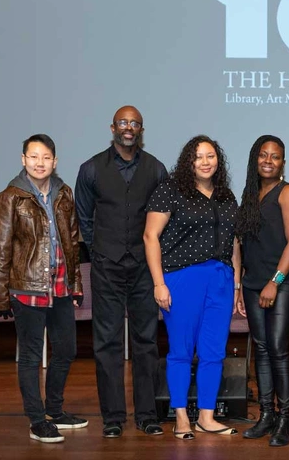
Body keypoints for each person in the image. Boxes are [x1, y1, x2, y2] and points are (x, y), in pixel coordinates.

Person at [75, 106, 168, 438]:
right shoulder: (90, 169)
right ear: (112, 127)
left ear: (141, 129)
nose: (129, 128)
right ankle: (113, 417)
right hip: (106, 268)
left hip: (144, 268)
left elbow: (162, 220)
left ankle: (146, 415)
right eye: (124, 123)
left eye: (135, 124)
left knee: (146, 344)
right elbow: (84, 219)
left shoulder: (156, 169)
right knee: (107, 344)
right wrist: (100, 251)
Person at [0, 134, 87, 443]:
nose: (39, 163)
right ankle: (36, 420)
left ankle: (55, 411)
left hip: (59, 288)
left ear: (55, 162)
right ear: (23, 160)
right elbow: (0, 249)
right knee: (31, 356)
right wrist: (0, 294)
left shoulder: (64, 194)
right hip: (25, 288)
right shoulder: (10, 197)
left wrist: (76, 284)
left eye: (45, 157)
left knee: (67, 350)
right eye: (33, 157)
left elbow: (73, 244)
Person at [144, 135, 241, 440]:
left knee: (214, 352)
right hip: (182, 278)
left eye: (210, 156)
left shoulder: (226, 196)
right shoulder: (170, 191)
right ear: (188, 161)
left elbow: (234, 240)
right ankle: (182, 417)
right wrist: (159, 283)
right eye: (198, 156)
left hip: (222, 279)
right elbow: (150, 237)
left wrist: (236, 282)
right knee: (181, 351)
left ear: (218, 160)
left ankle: (208, 417)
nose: (205, 162)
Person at [234, 135, 289, 447]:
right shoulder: (249, 194)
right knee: (261, 349)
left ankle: (285, 418)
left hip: (280, 283)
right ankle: (266, 414)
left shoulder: (287, 193)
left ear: (283, 163)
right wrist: (239, 285)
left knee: (277, 348)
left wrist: (274, 282)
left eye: (275, 157)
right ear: (255, 158)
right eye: (263, 155)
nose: (268, 161)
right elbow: (239, 243)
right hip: (252, 283)